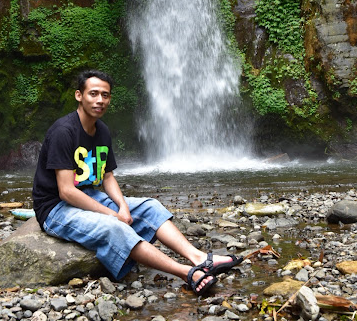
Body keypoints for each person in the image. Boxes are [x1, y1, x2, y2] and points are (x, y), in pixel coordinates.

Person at [32, 69, 242, 295]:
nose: (100, 100)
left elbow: (107, 175)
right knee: (115, 228)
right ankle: (185, 272)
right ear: (79, 96)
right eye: (93, 94)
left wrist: (122, 206)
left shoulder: (101, 130)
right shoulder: (64, 132)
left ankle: (199, 258)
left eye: (105, 95)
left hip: (89, 196)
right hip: (56, 208)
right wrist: (113, 215)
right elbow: (66, 191)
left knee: (150, 206)